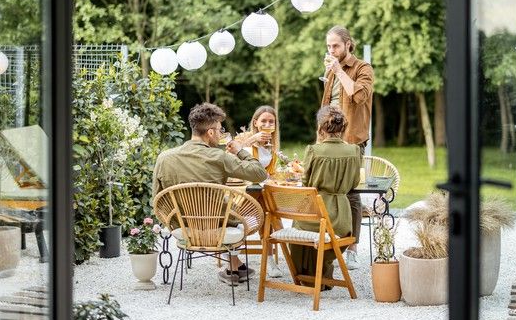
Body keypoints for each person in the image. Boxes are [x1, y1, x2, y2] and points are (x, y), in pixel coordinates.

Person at [152, 102, 268, 286]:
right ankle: (234, 267)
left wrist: (173, 222)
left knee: (229, 209)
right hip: (218, 226)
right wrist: (240, 151)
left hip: (183, 226)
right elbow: (260, 174)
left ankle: (235, 267)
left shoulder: (164, 158)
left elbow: (157, 199)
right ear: (211, 133)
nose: (221, 134)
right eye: (221, 130)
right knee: (238, 213)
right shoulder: (219, 157)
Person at [321, 25, 373, 270]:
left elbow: (357, 96)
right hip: (327, 139)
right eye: (329, 46)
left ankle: (352, 249)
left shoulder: (363, 68)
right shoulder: (332, 70)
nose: (331, 50)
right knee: (325, 190)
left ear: (348, 44)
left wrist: (338, 70)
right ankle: (331, 244)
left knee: (351, 192)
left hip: (351, 140)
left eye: (336, 46)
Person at [290, 106, 361, 286]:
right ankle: (323, 276)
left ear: (320, 128)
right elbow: (354, 183)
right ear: (343, 127)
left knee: (298, 225)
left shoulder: (314, 150)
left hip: (314, 214)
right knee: (324, 236)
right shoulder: (354, 151)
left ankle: (308, 277)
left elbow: (306, 183)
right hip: (340, 219)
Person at [239, 105, 285, 278]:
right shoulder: (245, 138)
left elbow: (269, 173)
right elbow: (230, 150)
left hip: (262, 190)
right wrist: (252, 138)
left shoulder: (272, 145)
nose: (267, 124)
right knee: (241, 219)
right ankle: (232, 256)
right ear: (255, 122)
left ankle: (270, 260)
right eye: (263, 121)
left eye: (271, 122)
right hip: (245, 191)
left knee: (268, 215)